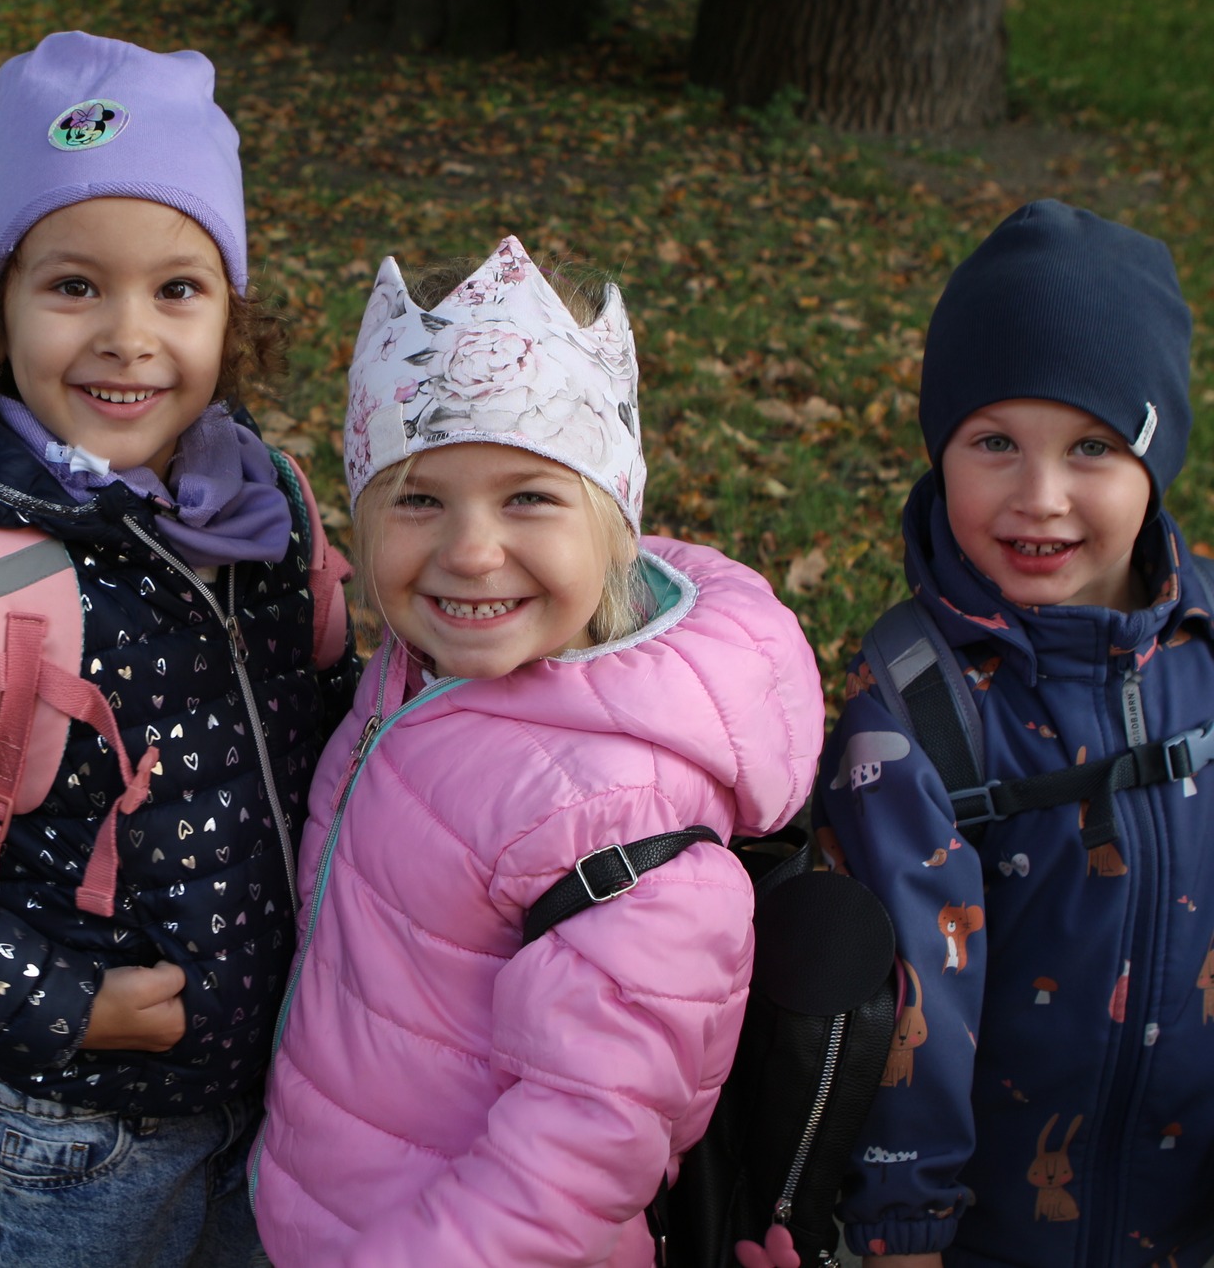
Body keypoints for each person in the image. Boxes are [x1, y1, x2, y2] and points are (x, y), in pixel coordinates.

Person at [0, 29, 356, 1268]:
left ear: (232, 315)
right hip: (81, 1125)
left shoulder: (260, 512)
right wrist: (62, 1006)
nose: (127, 335)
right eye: (75, 286)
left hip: (278, 1081)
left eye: (177, 289)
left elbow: (325, 723)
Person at [250, 236, 827, 1266]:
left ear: (611, 527)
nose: (471, 550)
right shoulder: (417, 675)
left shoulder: (614, 807)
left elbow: (581, 1149)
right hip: (331, 1203)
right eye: (418, 498)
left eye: (528, 497)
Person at [813, 200, 1212, 1267]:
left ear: (1156, 458)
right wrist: (903, 1228)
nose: (1040, 497)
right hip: (987, 1235)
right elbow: (908, 1005)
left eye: (1091, 447)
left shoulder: (1205, 650)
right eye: (993, 443)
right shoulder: (915, 708)